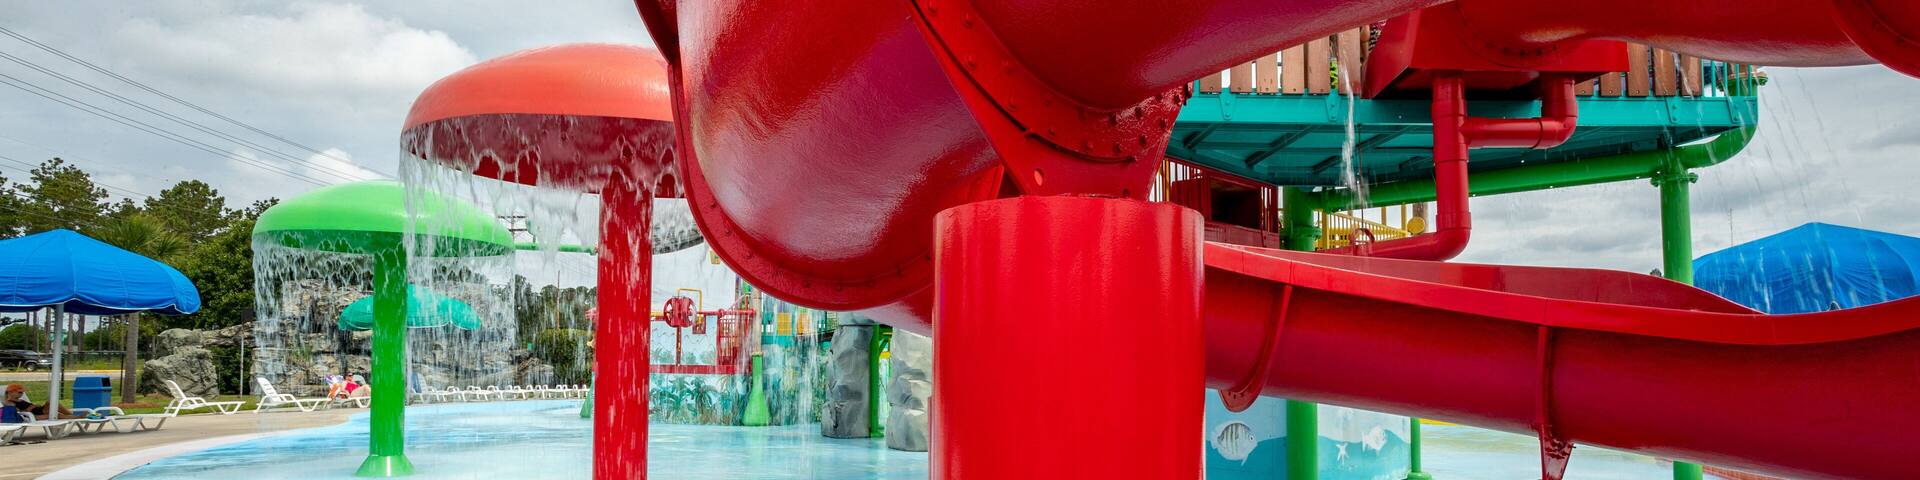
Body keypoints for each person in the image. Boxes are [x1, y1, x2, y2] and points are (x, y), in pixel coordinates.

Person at [5, 384, 74, 420]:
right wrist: (30, 408)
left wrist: (35, 406)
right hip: (33, 416)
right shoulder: (9, 402)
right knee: (56, 415)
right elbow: (18, 413)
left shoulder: (20, 400)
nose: (21, 394)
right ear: (10, 392)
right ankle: (75, 417)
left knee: (52, 402)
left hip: (39, 411)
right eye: (19, 392)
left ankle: (72, 415)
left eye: (22, 392)